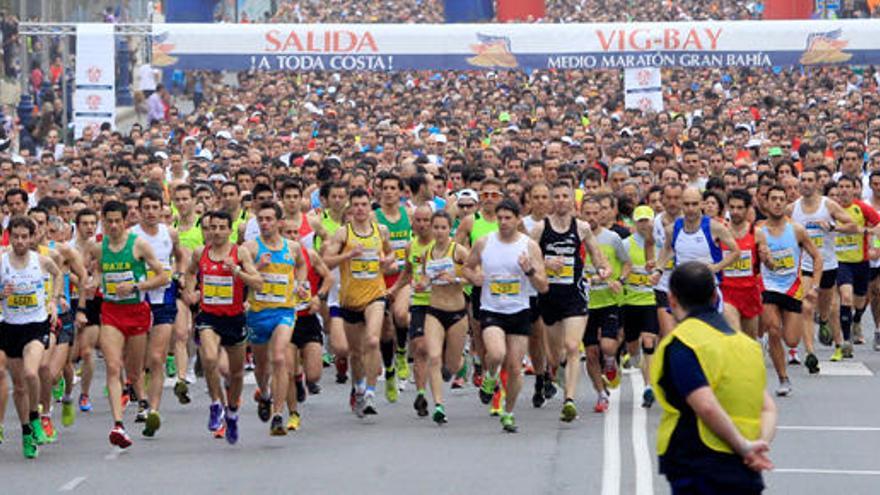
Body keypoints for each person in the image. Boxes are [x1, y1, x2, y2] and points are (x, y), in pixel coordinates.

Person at [652, 261, 777, 495]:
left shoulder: (683, 343)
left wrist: (743, 447)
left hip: (699, 462)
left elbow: (706, 406)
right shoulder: (747, 346)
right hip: (745, 470)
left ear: (672, 300)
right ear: (714, 297)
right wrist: (759, 446)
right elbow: (767, 407)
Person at [463, 198, 548, 433]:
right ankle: (490, 376)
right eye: (499, 218)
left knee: (514, 367)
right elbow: (467, 267)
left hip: (519, 310)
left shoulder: (529, 246)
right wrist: (473, 278)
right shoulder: (483, 243)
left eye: (508, 218)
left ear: (518, 219)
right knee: (497, 353)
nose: (503, 222)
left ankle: (508, 413)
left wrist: (528, 270)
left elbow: (543, 286)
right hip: (491, 309)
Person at [90, 200, 169, 449]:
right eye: (108, 221)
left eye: (117, 221)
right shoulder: (99, 247)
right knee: (114, 367)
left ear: (125, 221)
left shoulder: (138, 245)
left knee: (134, 372)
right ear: (103, 220)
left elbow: (163, 276)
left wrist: (136, 286)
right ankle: (118, 425)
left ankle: (142, 400)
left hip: (136, 313)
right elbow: (95, 271)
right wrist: (93, 281)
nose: (113, 226)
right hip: (111, 313)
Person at [531, 181, 609, 421]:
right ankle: (554, 371)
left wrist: (603, 268)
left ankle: (570, 400)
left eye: (566, 196)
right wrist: (545, 263)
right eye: (558, 196)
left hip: (574, 295)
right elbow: (526, 258)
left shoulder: (582, 227)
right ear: (552, 200)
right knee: (555, 356)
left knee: (573, 346)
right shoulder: (540, 228)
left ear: (572, 200)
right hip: (549, 296)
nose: (562, 200)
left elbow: (596, 254)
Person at [183, 211, 257, 444]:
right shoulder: (200, 253)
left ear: (229, 230)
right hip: (209, 316)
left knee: (236, 374)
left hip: (234, 318)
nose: (215, 232)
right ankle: (216, 404)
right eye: (211, 227)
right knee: (210, 358)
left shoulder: (240, 252)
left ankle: (232, 412)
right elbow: (190, 272)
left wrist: (236, 270)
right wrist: (190, 291)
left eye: (221, 227)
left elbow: (258, 281)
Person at [323, 188, 396, 417]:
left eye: (364, 204)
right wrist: (348, 255)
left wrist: (387, 262)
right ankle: (359, 387)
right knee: (355, 352)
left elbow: (391, 254)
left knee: (373, 341)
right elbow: (326, 261)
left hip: (375, 294)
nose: (360, 209)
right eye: (356, 205)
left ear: (369, 206)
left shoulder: (381, 230)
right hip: (350, 299)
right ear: (350, 207)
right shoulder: (343, 234)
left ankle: (372, 392)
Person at [240, 201, 309, 435]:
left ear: (279, 222)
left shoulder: (293, 247)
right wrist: (259, 267)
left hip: (284, 311)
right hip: (259, 313)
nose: (264, 223)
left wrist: (300, 284)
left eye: (269, 219)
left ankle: (278, 415)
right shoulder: (249, 248)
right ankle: (265, 394)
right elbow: (245, 276)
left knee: (279, 357)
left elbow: (301, 265)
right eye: (260, 219)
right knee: (261, 367)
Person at [0, 216, 63, 458]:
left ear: (32, 237)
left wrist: (54, 301)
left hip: (36, 325)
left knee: (30, 373)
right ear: (9, 236)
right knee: (18, 387)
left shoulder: (42, 261)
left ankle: (35, 417)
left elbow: (58, 275)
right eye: (15, 236)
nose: (20, 241)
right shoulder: (2, 262)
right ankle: (27, 432)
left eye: (24, 236)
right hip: (10, 327)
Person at [787, 168, 856, 371]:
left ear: (817, 183)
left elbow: (852, 225)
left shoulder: (828, 205)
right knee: (807, 306)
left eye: (810, 180)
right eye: (803, 180)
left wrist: (833, 227)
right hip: (806, 265)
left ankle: (835, 339)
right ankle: (810, 353)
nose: (806, 183)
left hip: (828, 264)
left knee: (830, 309)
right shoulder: (793, 209)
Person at [130, 189, 186, 435]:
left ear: (162, 208)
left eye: (155, 207)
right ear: (139, 210)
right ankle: (141, 400)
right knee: (137, 360)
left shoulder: (169, 232)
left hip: (164, 298)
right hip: (137, 300)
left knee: (156, 357)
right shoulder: (131, 236)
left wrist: (180, 273)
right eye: (146, 208)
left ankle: (152, 410)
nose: (151, 212)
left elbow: (180, 255)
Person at [757, 186, 822, 396]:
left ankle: (773, 340)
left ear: (787, 203)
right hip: (767, 286)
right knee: (774, 329)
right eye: (773, 199)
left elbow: (817, 257)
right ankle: (783, 378)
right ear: (765, 203)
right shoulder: (758, 230)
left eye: (781, 199)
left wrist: (814, 286)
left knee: (792, 340)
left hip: (792, 288)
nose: (777, 203)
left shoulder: (796, 230)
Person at [422, 211, 470, 424]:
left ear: (449, 229)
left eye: (443, 228)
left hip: (457, 313)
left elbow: (476, 275)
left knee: (450, 365)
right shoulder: (428, 252)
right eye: (436, 227)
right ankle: (439, 405)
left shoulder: (458, 251)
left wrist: (456, 278)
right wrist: (422, 283)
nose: (439, 232)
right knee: (433, 357)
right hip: (434, 310)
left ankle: (461, 363)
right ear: (431, 229)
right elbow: (424, 277)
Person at [388, 204, 433, 417]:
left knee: (448, 360)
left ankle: (459, 365)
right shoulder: (410, 246)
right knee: (419, 346)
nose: (423, 225)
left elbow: (464, 267)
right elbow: (407, 272)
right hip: (420, 302)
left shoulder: (445, 245)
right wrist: (395, 288)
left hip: (444, 304)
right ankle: (421, 394)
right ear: (412, 223)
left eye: (427, 221)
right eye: (419, 220)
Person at [620, 205, 660, 408]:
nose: (645, 225)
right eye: (641, 221)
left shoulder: (659, 244)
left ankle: (648, 387)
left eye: (648, 220)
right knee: (633, 346)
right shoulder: (626, 245)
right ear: (635, 224)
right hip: (630, 302)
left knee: (649, 341)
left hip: (650, 301)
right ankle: (635, 360)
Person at [720, 190, 763, 338]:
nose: (735, 212)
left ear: (748, 209)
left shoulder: (756, 233)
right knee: (735, 335)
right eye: (731, 207)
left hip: (749, 292)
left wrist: (768, 258)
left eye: (739, 208)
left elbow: (769, 265)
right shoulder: (720, 231)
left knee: (749, 341)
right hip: (726, 292)